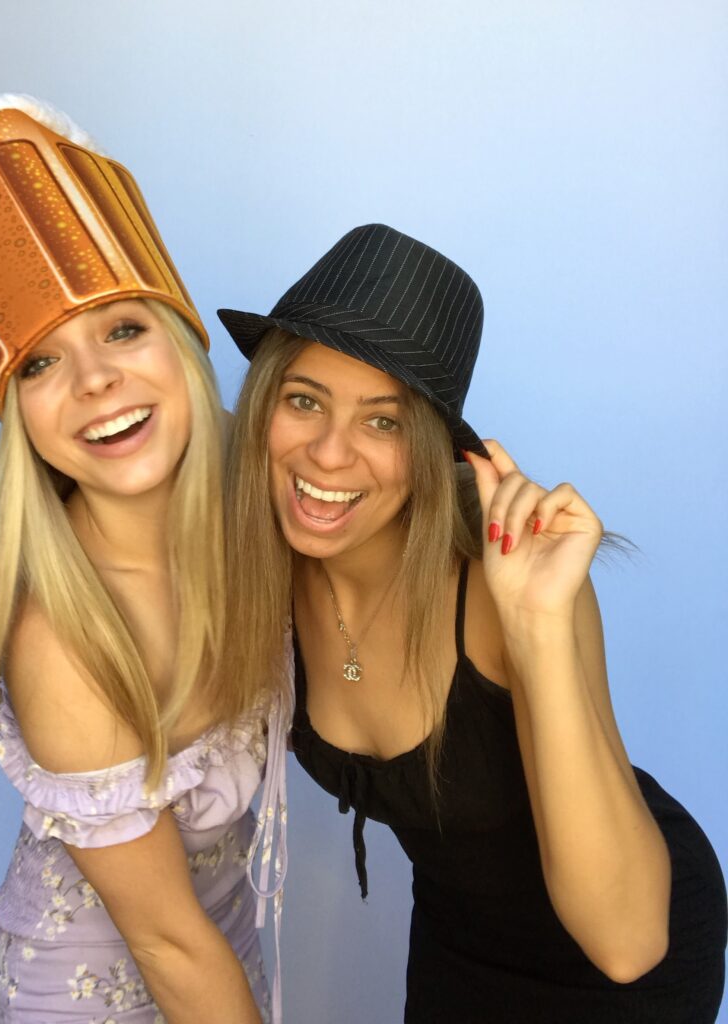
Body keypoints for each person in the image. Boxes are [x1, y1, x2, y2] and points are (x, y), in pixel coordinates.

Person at [217, 223, 727, 1023]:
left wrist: (537, 627)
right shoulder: (258, 564)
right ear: (263, 411)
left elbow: (627, 943)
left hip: (624, 945)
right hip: (458, 942)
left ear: (432, 451)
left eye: (382, 421)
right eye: (304, 400)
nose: (328, 452)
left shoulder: (503, 588)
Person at [0, 95, 286, 1024]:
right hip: (97, 990)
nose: (96, 381)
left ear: (183, 347)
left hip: (225, 940)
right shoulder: (61, 639)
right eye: (39, 364)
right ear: (17, 413)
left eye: (122, 329)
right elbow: (167, 945)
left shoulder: (261, 506)